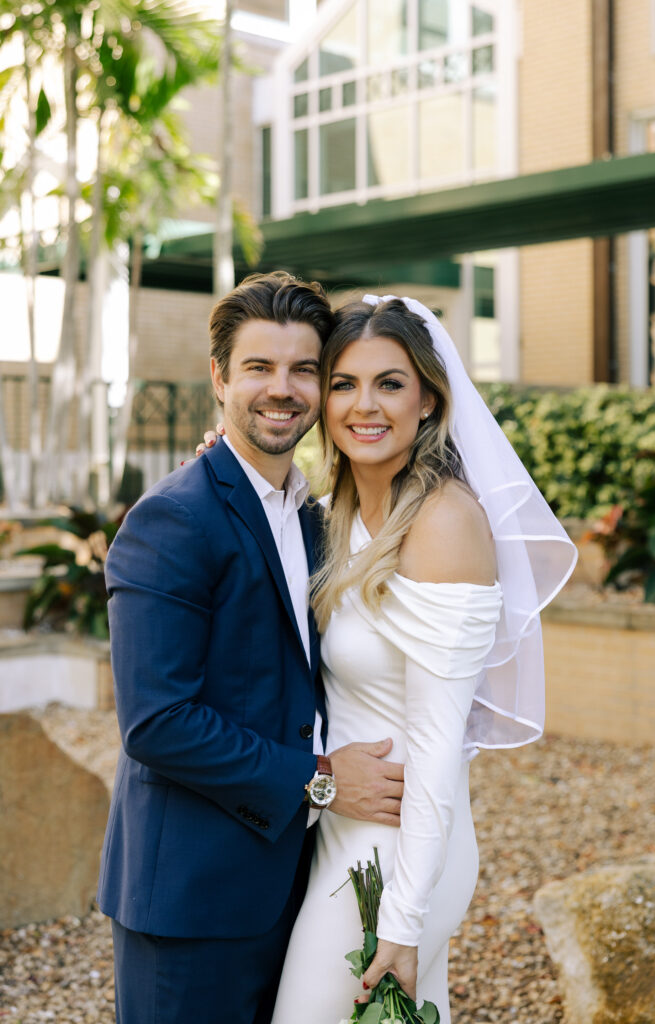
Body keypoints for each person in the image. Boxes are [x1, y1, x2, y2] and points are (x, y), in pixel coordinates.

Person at [197, 293, 577, 1022]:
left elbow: (440, 743)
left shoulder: (444, 525)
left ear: (429, 400)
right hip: (336, 825)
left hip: (398, 852)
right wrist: (223, 464)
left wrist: (403, 922)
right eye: (343, 383)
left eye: (389, 383)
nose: (362, 406)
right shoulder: (337, 513)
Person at [97, 273, 407, 1024]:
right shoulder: (171, 520)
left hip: (295, 885)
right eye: (259, 368)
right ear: (219, 377)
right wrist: (323, 781)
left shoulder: (311, 517)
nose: (284, 389)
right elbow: (157, 722)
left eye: (304, 369)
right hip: (192, 899)